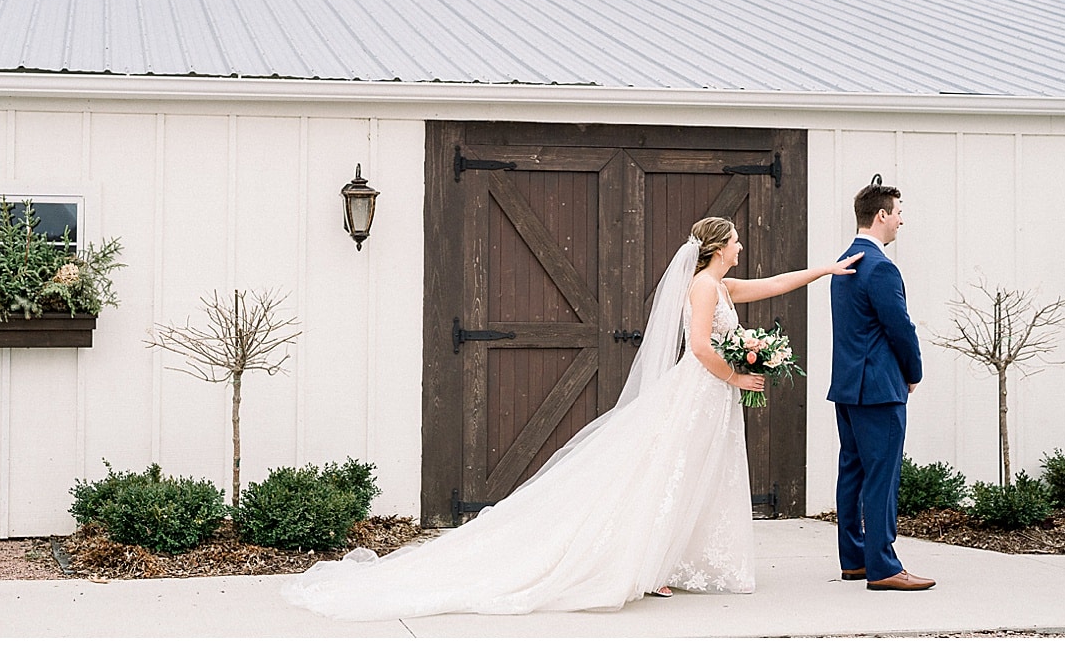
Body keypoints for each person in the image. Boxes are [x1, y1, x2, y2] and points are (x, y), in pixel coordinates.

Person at [282, 217, 860, 620]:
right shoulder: (704, 287)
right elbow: (704, 351)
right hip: (700, 393)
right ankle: (646, 562)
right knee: (670, 474)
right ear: (718, 248)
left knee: (692, 478)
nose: (742, 246)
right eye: (736, 240)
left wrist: (824, 272)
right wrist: (740, 374)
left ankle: (663, 558)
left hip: (710, 399)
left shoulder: (715, 282)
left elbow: (770, 284)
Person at [828, 176, 933, 592]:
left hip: (848, 386)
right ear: (882, 214)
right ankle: (884, 566)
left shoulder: (844, 263)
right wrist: (914, 373)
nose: (901, 222)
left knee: (852, 472)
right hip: (879, 389)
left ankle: (854, 560)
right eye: (899, 213)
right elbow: (900, 329)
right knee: (882, 477)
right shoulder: (880, 266)